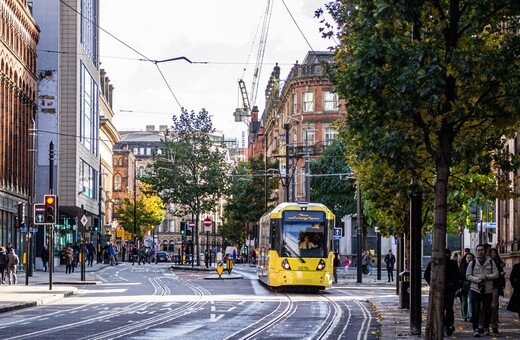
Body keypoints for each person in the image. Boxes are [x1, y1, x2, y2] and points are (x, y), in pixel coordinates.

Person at [424, 248, 461, 336]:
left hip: (446, 290)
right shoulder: (438, 263)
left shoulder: (449, 264)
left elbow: (458, 277)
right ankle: (446, 325)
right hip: (444, 290)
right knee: (446, 309)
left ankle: (447, 325)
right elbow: (426, 275)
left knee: (445, 309)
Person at [466, 244, 499, 337]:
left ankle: (485, 327)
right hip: (475, 289)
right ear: (476, 252)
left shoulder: (491, 262)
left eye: (482, 250)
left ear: (485, 251)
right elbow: (467, 275)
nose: (480, 252)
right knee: (476, 310)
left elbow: (496, 274)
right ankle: (476, 329)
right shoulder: (472, 263)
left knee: (488, 310)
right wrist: (477, 279)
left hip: (488, 290)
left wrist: (486, 277)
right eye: (478, 250)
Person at [490, 248, 506, 335]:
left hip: (496, 285)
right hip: (487, 285)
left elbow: (501, 272)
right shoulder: (487, 262)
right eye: (491, 253)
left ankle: (494, 324)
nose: (493, 254)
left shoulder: (499, 262)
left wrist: (501, 275)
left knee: (494, 304)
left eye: (494, 253)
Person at [460, 252, 475, 322]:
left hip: (471, 283)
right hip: (463, 284)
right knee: (464, 301)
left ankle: (470, 315)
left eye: (470, 258)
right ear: (465, 258)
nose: (469, 259)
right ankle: (464, 315)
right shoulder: (462, 266)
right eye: (468, 257)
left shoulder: (474, 266)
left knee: (470, 300)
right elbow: (459, 276)